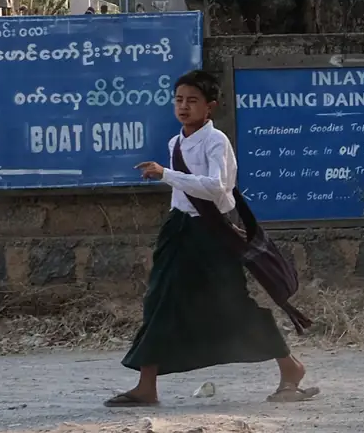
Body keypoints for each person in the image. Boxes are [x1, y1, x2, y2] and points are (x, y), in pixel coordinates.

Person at [111, 69, 311, 407]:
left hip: (212, 235)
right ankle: (147, 386)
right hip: (179, 232)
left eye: (192, 101)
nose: (184, 107)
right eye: (179, 100)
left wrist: (166, 174)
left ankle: (291, 369)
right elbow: (183, 195)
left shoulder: (216, 141)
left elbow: (217, 187)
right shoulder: (176, 143)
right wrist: (170, 178)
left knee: (233, 304)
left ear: (210, 106)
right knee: (158, 302)